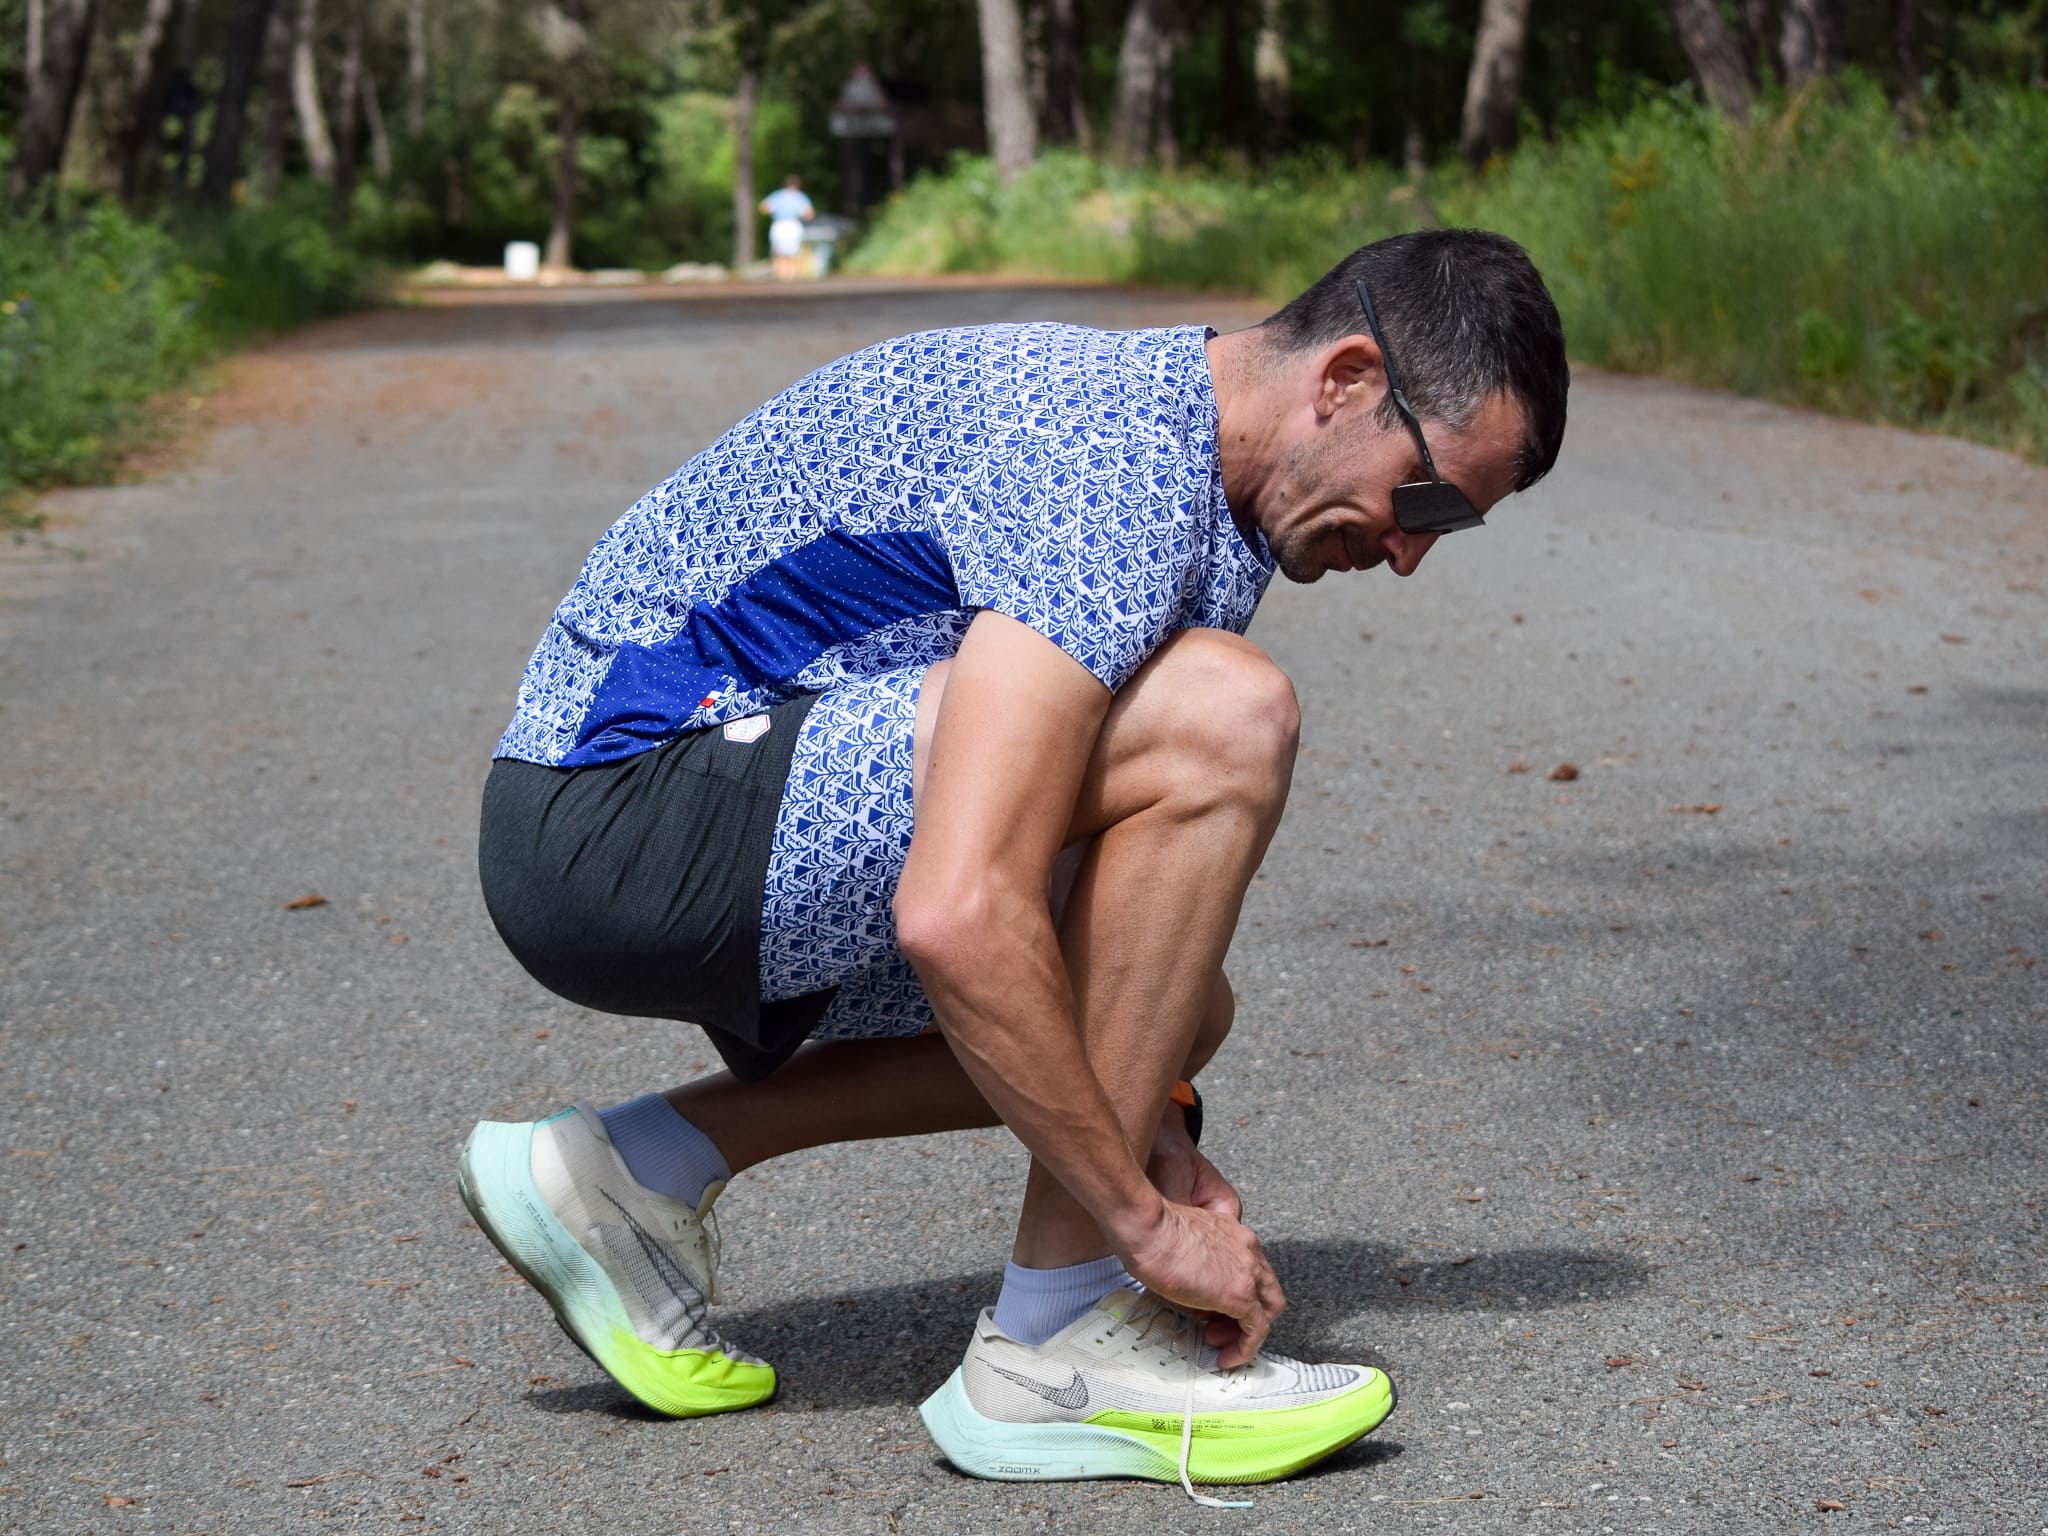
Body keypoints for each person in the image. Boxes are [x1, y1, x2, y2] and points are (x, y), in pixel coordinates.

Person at [462, 228, 1569, 1496]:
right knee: (1220, 716)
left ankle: (629, 1170)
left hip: (690, 817)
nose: (1413, 552)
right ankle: (1054, 1346)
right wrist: (1140, 1223)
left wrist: (1150, 1122)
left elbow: (1095, 928)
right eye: (1423, 500)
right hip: (615, 816)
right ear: (1343, 379)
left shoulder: (1197, 477)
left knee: (1174, 1010)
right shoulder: (1112, 468)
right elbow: (956, 907)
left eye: (1450, 531)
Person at [758, 175, 815, 280]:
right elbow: (809, 214)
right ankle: (789, 276)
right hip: (793, 224)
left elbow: (763, 207)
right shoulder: (800, 197)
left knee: (778, 252)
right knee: (792, 253)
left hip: (779, 224)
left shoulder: (777, 196)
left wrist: (774, 211)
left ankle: (781, 275)